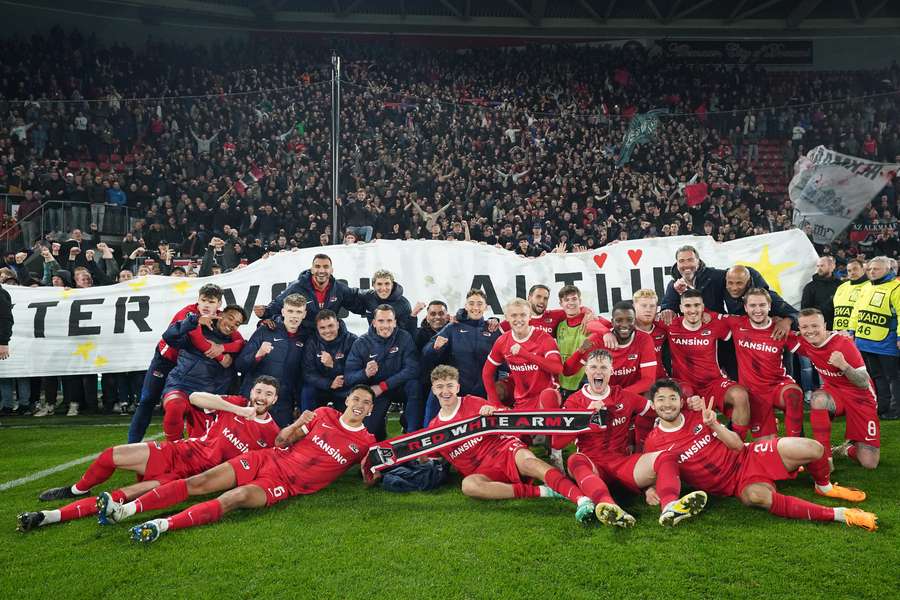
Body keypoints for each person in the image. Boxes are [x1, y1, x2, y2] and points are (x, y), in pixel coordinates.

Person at [17, 377, 281, 532]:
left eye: (268, 394)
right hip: (178, 452)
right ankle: (77, 489)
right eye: (258, 391)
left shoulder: (272, 433)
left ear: (275, 400)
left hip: (190, 476)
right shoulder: (235, 404)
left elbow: (266, 465)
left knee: (121, 496)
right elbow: (196, 397)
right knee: (110, 455)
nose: (261, 397)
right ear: (251, 392)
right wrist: (236, 410)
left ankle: (48, 516)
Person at [126, 386, 377, 543]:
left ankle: (162, 525)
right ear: (347, 400)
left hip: (283, 483)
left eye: (366, 403)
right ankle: (130, 510)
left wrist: (373, 473)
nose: (359, 405)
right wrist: (298, 421)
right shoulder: (322, 415)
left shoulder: (367, 443)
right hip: (266, 459)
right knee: (198, 483)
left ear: (371, 409)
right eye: (356, 399)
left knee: (234, 498)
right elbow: (280, 441)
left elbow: (368, 477)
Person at [644, 379, 876, 531]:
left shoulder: (699, 416)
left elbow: (736, 445)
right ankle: (839, 514)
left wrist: (715, 424)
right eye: (661, 400)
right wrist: (651, 489)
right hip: (735, 486)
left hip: (749, 455)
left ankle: (824, 486)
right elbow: (657, 471)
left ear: (681, 401)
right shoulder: (653, 441)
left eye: (672, 398)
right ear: (653, 405)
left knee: (813, 448)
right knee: (757, 497)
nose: (667, 404)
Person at [553, 351, 708, 527]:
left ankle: (670, 506)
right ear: (586, 371)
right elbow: (557, 443)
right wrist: (586, 417)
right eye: (594, 367)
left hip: (622, 463)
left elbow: (657, 410)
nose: (599, 372)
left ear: (612, 370)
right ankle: (609, 507)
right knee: (575, 460)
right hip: (592, 465)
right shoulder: (574, 401)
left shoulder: (624, 396)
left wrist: (688, 403)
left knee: (666, 456)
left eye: (604, 367)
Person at [428, 365, 596, 523]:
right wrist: (422, 457)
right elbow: (431, 458)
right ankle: (544, 491)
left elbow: (506, 417)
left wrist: (492, 411)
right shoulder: (434, 428)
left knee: (528, 462)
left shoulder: (473, 402)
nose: (445, 391)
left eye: (449, 385)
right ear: (434, 390)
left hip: (503, 450)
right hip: (482, 471)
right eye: (440, 386)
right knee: (468, 485)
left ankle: (581, 499)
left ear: (457, 387)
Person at [128, 284, 225, 443]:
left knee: (193, 408)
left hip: (189, 371)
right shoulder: (187, 313)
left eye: (212, 301)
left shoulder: (221, 319)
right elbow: (175, 336)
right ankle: (132, 445)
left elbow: (237, 338)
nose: (207, 305)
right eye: (204, 300)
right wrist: (220, 356)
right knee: (147, 401)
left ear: (219, 304)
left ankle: (189, 449)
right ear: (198, 300)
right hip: (165, 362)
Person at [658, 290, 752, 440]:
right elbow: (641, 321)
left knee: (740, 395)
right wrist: (608, 332)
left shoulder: (714, 324)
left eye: (697, 305)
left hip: (713, 382)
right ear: (681, 308)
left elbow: (743, 322)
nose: (693, 310)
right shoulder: (670, 324)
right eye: (688, 306)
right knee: (689, 405)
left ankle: (736, 444)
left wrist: (784, 320)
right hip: (684, 385)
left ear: (703, 307)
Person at [794, 308, 881, 470]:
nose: (810, 331)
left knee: (870, 463)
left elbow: (863, 382)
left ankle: (846, 449)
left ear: (825, 325)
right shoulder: (802, 341)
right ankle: (825, 458)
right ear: (799, 329)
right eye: (804, 327)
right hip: (834, 392)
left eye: (815, 326)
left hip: (860, 397)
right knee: (818, 399)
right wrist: (783, 321)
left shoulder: (843, 343)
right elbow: (774, 332)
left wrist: (844, 366)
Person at [482, 297, 565, 467]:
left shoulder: (543, 338)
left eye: (522, 315)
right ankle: (535, 438)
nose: (518, 319)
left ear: (530, 317)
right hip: (522, 401)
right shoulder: (503, 341)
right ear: (507, 317)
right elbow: (487, 373)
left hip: (545, 396)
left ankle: (555, 452)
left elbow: (557, 368)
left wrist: (525, 354)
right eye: (513, 315)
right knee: (516, 446)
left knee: (549, 396)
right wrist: (495, 404)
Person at [722, 288, 804, 440]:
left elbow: (812, 346)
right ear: (745, 308)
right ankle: (774, 432)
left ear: (770, 306)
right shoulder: (736, 323)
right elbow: (706, 316)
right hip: (754, 393)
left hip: (777, 386)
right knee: (766, 446)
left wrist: (836, 337)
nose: (758, 310)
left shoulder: (780, 329)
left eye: (762, 305)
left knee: (794, 394)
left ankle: (796, 443)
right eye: (753, 306)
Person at [159, 306, 247, 441]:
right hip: (181, 385)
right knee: (175, 406)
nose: (232, 325)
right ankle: (173, 448)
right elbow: (169, 336)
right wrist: (194, 320)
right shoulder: (196, 329)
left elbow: (241, 354)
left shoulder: (235, 346)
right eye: (230, 318)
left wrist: (223, 349)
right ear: (221, 314)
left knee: (201, 446)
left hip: (207, 396)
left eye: (237, 324)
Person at [422, 289, 501, 423]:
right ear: (465, 305)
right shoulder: (453, 327)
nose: (475, 307)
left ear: (486, 307)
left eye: (479, 303)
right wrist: (434, 348)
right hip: (458, 388)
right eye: (471, 303)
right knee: (435, 403)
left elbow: (504, 359)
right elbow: (426, 352)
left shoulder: (493, 329)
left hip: (483, 389)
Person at [345, 304, 421, 439]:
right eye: (381, 321)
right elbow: (349, 377)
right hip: (376, 392)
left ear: (395, 322)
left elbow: (412, 369)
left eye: (389, 321)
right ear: (373, 322)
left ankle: (411, 436)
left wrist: (383, 386)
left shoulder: (404, 337)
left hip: (398, 387)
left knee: (414, 385)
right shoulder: (361, 343)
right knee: (371, 431)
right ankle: (376, 440)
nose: (386, 325)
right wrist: (365, 373)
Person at [235, 294, 307, 427]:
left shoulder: (306, 337)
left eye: (298, 312)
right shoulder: (265, 330)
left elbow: (302, 376)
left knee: (276, 443)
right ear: (283, 311)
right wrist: (258, 355)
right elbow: (239, 365)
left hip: (283, 404)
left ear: (304, 314)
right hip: (254, 399)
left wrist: (297, 404)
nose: (294, 316)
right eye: (290, 311)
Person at [255, 254, 365, 339]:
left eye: (325, 267)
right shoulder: (297, 286)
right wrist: (265, 312)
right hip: (304, 337)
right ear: (312, 269)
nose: (321, 270)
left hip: (327, 336)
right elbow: (278, 305)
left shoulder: (339, 288)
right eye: (317, 266)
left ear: (331, 270)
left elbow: (356, 301)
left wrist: (375, 304)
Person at [562, 301, 657, 396]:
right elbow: (568, 371)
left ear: (635, 321)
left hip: (630, 396)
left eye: (629, 320)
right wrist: (580, 350)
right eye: (619, 320)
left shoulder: (644, 339)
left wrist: (618, 395)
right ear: (612, 322)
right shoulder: (597, 339)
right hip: (602, 397)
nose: (624, 325)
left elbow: (648, 380)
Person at [847, 256, 900, 419]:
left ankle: (895, 410)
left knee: (893, 377)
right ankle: (883, 407)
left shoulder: (896, 288)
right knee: (876, 376)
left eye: (876, 269)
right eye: (869, 269)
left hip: (887, 342)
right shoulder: (866, 287)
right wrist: (852, 331)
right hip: (865, 342)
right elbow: (856, 311)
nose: (871, 271)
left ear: (888, 269)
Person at [300, 309, 358, 413]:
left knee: (355, 393)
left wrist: (333, 365)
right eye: (322, 328)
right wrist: (329, 383)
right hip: (321, 387)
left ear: (338, 324)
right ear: (317, 329)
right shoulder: (312, 342)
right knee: (308, 390)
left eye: (330, 326)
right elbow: (307, 373)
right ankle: (308, 426)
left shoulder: (352, 340)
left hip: (344, 387)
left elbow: (355, 371)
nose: (327, 331)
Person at [553, 285, 593, 398]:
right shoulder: (560, 325)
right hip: (563, 382)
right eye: (566, 300)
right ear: (561, 304)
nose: (571, 302)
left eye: (574, 299)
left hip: (584, 381)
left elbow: (609, 326)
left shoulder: (590, 321)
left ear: (580, 301)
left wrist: (590, 313)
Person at [358, 269, 421, 337]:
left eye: (387, 284)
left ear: (392, 285)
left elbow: (408, 333)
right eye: (379, 284)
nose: (383, 288)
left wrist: (413, 315)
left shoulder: (403, 304)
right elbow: (349, 295)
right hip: (374, 341)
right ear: (373, 285)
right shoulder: (368, 297)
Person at [832, 258, 868, 332]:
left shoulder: (870, 286)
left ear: (863, 270)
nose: (852, 272)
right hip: (839, 331)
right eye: (849, 270)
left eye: (855, 269)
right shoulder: (842, 287)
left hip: (859, 332)